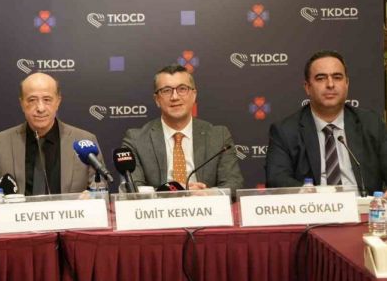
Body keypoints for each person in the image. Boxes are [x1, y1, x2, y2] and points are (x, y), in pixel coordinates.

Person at [265, 50, 387, 194]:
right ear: (307, 87)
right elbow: (276, 179)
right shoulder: (285, 131)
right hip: (314, 205)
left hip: (363, 205)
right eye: (321, 78)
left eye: (337, 77)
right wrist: (317, 196)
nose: (330, 84)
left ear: (347, 83)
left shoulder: (371, 123)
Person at [122, 64, 244, 193]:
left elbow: (234, 184)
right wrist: (171, 192)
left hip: (205, 204)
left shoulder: (218, 136)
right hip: (160, 205)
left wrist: (207, 193)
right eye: (166, 91)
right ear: (157, 99)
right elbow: (133, 189)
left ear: (194, 95)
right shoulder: (136, 140)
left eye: (182, 89)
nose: (175, 97)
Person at [0, 72, 106, 195]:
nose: (40, 108)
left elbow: (101, 192)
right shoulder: (1, 143)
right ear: (22, 103)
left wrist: (92, 197)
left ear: (58, 102)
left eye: (47, 100)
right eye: (32, 100)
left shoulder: (85, 141)